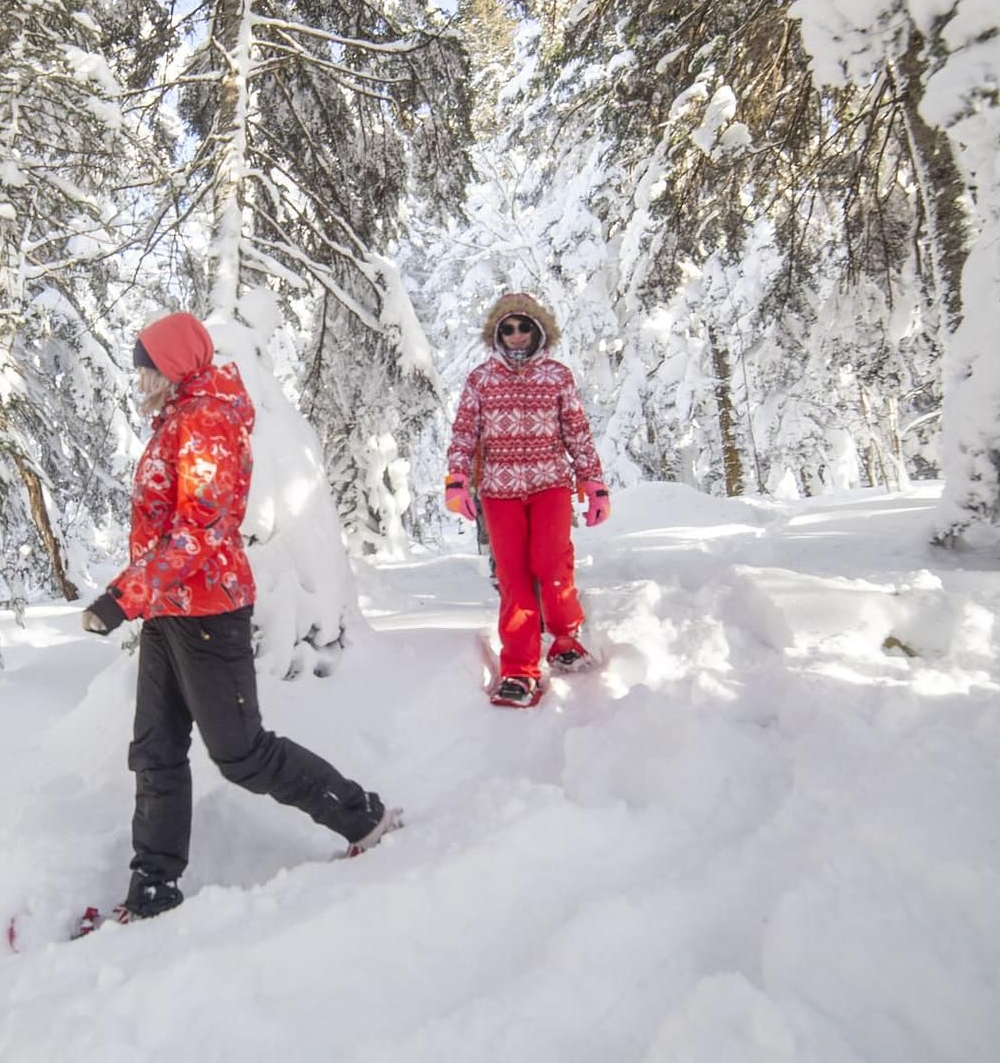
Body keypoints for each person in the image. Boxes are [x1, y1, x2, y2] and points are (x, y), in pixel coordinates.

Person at [81, 312, 400, 920]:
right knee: (155, 750)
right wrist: (145, 598)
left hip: (208, 611)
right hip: (170, 610)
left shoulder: (205, 422)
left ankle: (365, 817)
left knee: (242, 754)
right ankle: (153, 888)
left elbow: (197, 533)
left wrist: (122, 598)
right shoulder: (179, 417)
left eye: (146, 367)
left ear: (171, 366)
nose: (139, 379)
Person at [444, 292, 610, 708]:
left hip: (550, 484)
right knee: (514, 577)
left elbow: (577, 432)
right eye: (508, 328)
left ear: (539, 331)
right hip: (499, 490)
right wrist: (457, 481)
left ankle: (566, 637)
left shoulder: (557, 377)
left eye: (524, 327)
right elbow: (464, 433)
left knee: (551, 564)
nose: (516, 335)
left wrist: (593, 485)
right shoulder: (480, 380)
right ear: (497, 334)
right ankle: (519, 669)